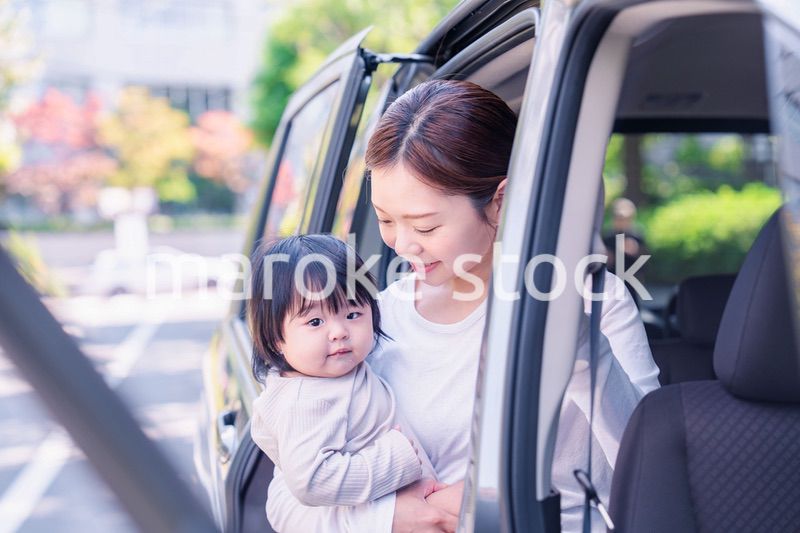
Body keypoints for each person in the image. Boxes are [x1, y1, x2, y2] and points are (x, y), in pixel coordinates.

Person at [264, 80, 660, 533]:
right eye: (386, 220)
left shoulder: (595, 300)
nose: (403, 245)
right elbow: (288, 497)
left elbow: (649, 464)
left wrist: (581, 350)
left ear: (501, 201)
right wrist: (393, 519)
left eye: (426, 226)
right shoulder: (368, 321)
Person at [247, 235, 442, 508]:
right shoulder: (304, 401)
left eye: (352, 315)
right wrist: (397, 458)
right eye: (315, 321)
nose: (339, 332)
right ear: (276, 338)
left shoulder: (338, 372)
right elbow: (312, 482)